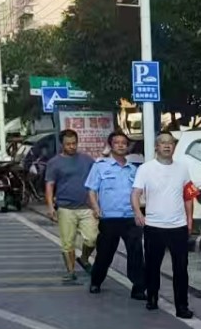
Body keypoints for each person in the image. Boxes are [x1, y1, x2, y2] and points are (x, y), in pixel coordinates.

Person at [133, 130, 196, 318]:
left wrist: (190, 219)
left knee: (181, 268)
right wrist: (138, 213)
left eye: (171, 143)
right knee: (152, 265)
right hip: (154, 225)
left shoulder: (183, 168)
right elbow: (135, 193)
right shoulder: (146, 169)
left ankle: (182, 306)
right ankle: (152, 297)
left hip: (178, 226)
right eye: (163, 143)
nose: (167, 146)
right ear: (156, 147)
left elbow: (189, 195)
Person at [86, 129, 145, 299]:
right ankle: (96, 281)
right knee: (105, 253)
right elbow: (92, 190)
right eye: (117, 143)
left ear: (127, 147)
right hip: (109, 218)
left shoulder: (134, 170)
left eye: (124, 143)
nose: (120, 145)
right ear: (111, 146)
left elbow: (140, 192)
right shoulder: (100, 166)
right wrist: (96, 208)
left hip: (130, 217)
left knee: (136, 253)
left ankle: (139, 288)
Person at [45, 128, 98, 284]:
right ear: (62, 144)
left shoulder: (87, 160)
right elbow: (49, 185)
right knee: (68, 242)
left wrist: (97, 205)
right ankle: (71, 271)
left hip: (86, 207)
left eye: (74, 143)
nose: (72, 147)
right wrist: (50, 207)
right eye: (68, 144)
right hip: (65, 208)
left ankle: (84, 258)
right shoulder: (54, 163)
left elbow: (96, 180)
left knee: (92, 238)